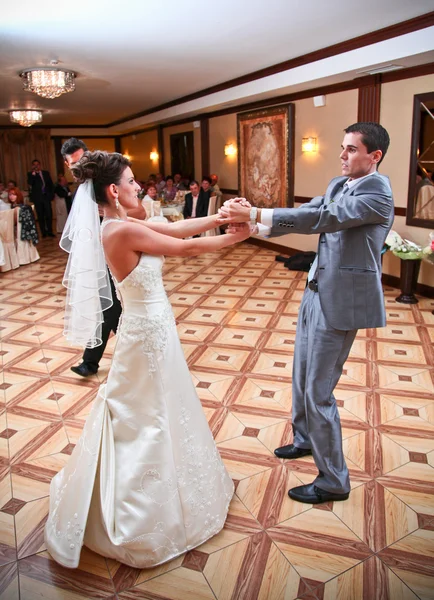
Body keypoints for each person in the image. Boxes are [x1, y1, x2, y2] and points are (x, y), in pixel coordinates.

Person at [44, 150, 251, 569]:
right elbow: (181, 248)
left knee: (164, 408)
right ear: (114, 191)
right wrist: (234, 237)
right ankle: (140, 508)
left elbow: (174, 227)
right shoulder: (118, 233)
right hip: (145, 339)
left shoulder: (126, 223)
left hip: (156, 329)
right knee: (146, 415)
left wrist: (219, 218)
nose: (139, 186)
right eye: (132, 181)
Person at [218, 122, 394, 505]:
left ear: (374, 155)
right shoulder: (336, 184)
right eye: (343, 148)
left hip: (341, 303)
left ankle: (334, 480)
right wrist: (252, 224)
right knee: (300, 372)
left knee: (318, 390)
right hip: (315, 291)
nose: (342, 155)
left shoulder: (378, 194)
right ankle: (304, 439)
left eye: (350, 149)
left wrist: (255, 213)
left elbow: (324, 220)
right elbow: (307, 212)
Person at [61, 137, 123, 377]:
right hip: (97, 257)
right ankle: (137, 351)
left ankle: (92, 361)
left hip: (118, 248)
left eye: (83, 160)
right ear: (68, 166)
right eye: (75, 164)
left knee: (112, 307)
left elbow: (137, 210)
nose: (81, 167)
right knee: (112, 307)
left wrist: (114, 209)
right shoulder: (81, 191)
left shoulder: (109, 180)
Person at [27, 159, 55, 237]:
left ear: (40, 165)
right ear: (32, 166)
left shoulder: (46, 173)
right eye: (34, 165)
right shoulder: (30, 174)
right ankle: (43, 232)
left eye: (37, 164)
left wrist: (51, 195)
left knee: (49, 214)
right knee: (40, 215)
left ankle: (50, 231)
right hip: (38, 198)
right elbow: (30, 183)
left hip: (46, 197)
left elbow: (50, 184)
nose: (36, 166)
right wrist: (34, 174)